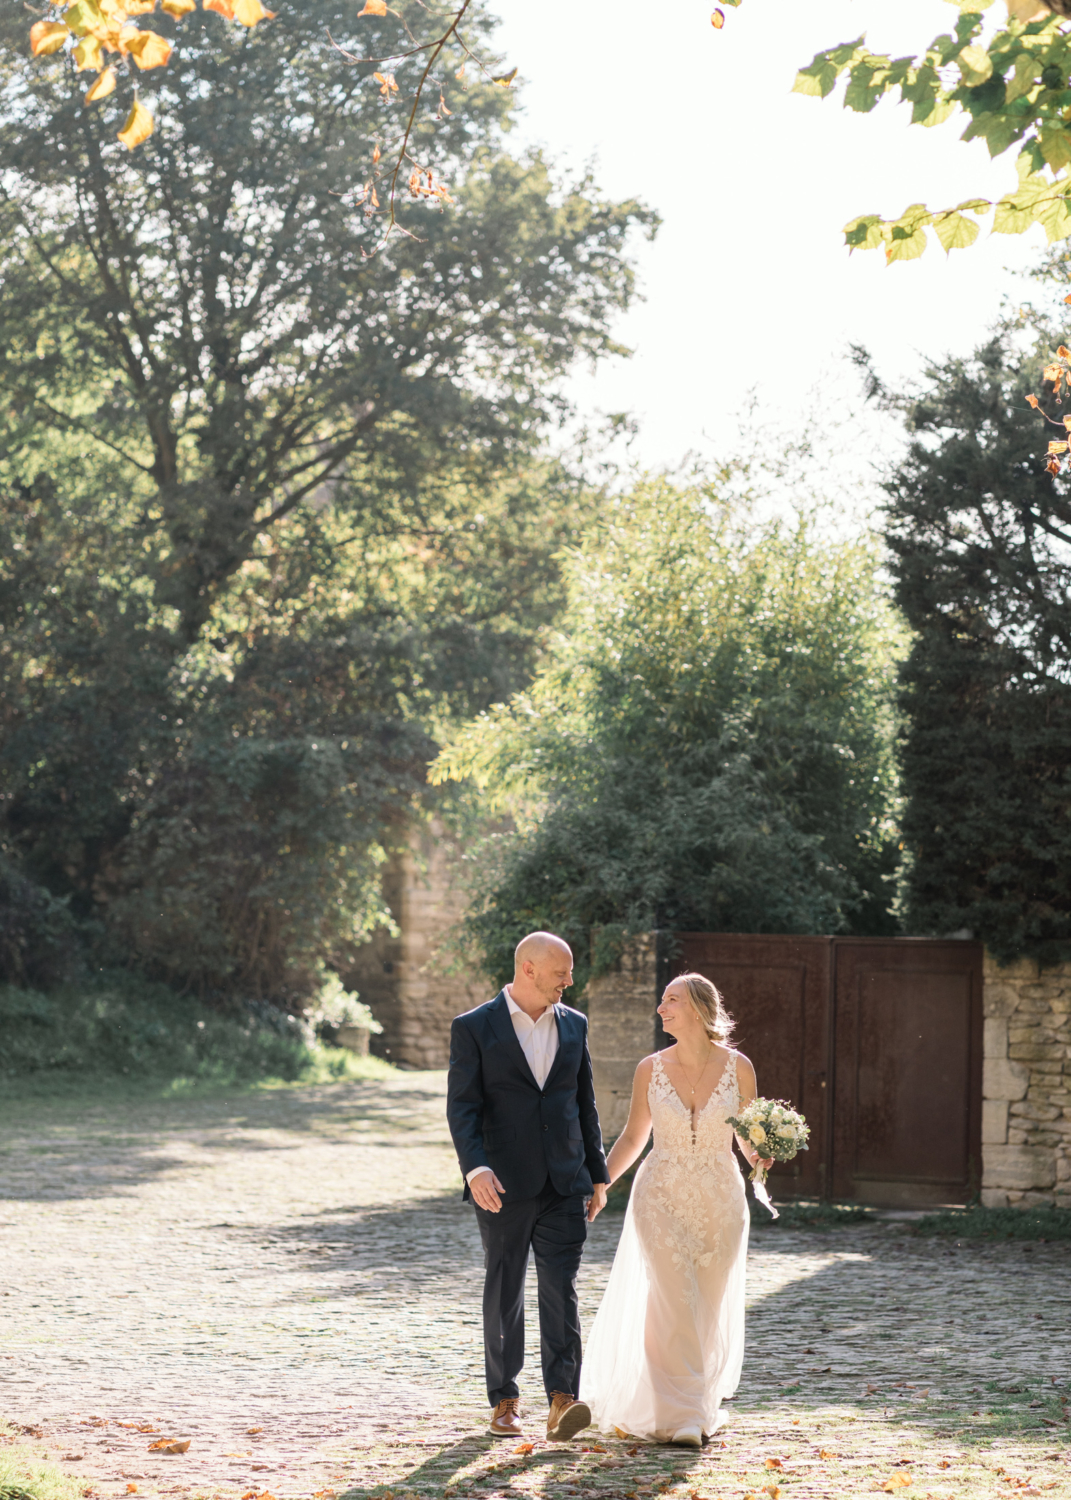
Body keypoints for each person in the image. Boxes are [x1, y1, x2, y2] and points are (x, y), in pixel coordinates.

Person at [579, 972, 773, 1446]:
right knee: (670, 1298)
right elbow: (632, 1137)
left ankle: (695, 1404)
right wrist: (599, 1181)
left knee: (705, 1301)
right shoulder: (650, 1068)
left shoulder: (739, 1067)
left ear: (700, 1009)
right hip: (659, 1193)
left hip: (720, 1197)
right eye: (662, 1000)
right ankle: (681, 1416)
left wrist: (762, 1154)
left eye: (671, 1000)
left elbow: (747, 1136)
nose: (661, 1008)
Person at [446, 931, 611, 1443]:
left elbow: (583, 1103)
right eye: (562, 971)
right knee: (505, 1290)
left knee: (561, 1287)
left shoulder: (575, 1024)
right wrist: (475, 1170)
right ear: (529, 969)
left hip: (565, 1181)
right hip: (502, 1182)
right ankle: (505, 1401)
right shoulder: (473, 1027)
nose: (570, 980)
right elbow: (463, 1106)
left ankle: (563, 1399)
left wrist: (598, 1174)